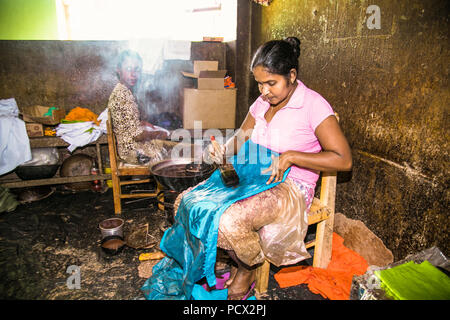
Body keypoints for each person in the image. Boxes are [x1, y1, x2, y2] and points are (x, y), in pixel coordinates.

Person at [173, 36, 352, 300]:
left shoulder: (313, 105)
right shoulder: (261, 104)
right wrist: (221, 149)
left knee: (229, 221)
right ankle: (243, 259)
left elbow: (343, 159)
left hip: (290, 185)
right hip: (252, 175)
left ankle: (248, 268)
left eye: (271, 83)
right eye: (259, 84)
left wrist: (292, 156)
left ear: (291, 75)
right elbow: (241, 139)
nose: (264, 91)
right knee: (186, 202)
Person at [107, 50, 174, 165]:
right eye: (128, 69)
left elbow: (127, 125)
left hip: (131, 147)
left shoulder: (122, 90)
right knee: (174, 155)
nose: (133, 74)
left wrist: (142, 124)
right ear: (118, 70)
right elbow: (136, 135)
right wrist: (158, 134)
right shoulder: (123, 95)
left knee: (170, 147)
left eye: (137, 69)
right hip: (132, 152)